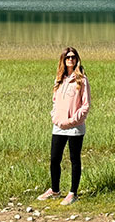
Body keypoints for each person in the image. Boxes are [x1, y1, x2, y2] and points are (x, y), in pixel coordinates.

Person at [37, 47, 91, 205]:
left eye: (73, 57)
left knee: (74, 159)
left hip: (75, 127)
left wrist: (72, 120)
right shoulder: (59, 79)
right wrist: (54, 116)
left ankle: (73, 193)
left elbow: (85, 106)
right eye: (68, 57)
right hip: (59, 125)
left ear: (77, 59)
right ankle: (55, 190)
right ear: (63, 59)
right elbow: (55, 101)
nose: (71, 59)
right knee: (54, 158)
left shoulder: (82, 80)